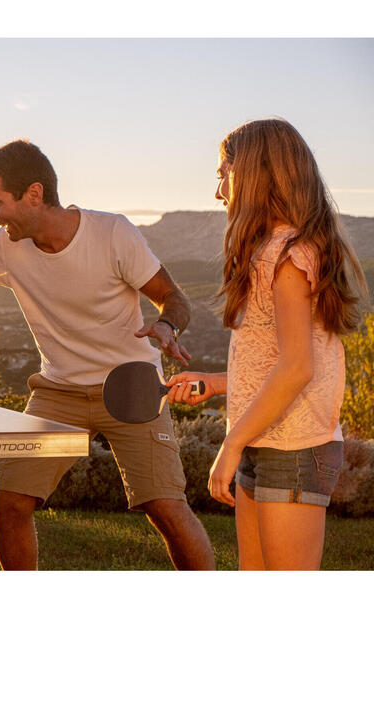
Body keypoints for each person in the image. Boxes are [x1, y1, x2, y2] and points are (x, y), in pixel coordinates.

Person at [0, 139, 215, 571]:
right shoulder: (4, 246)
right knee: (11, 499)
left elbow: (173, 298)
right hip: (59, 392)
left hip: (132, 385)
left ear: (34, 194)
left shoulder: (113, 234)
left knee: (164, 506)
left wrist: (166, 325)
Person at [168, 118, 368, 570]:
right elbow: (279, 362)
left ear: (254, 174)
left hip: (294, 450)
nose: (219, 192)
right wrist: (219, 384)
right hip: (266, 442)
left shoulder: (289, 257)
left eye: (224, 174)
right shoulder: (271, 250)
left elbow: (298, 368)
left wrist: (230, 444)